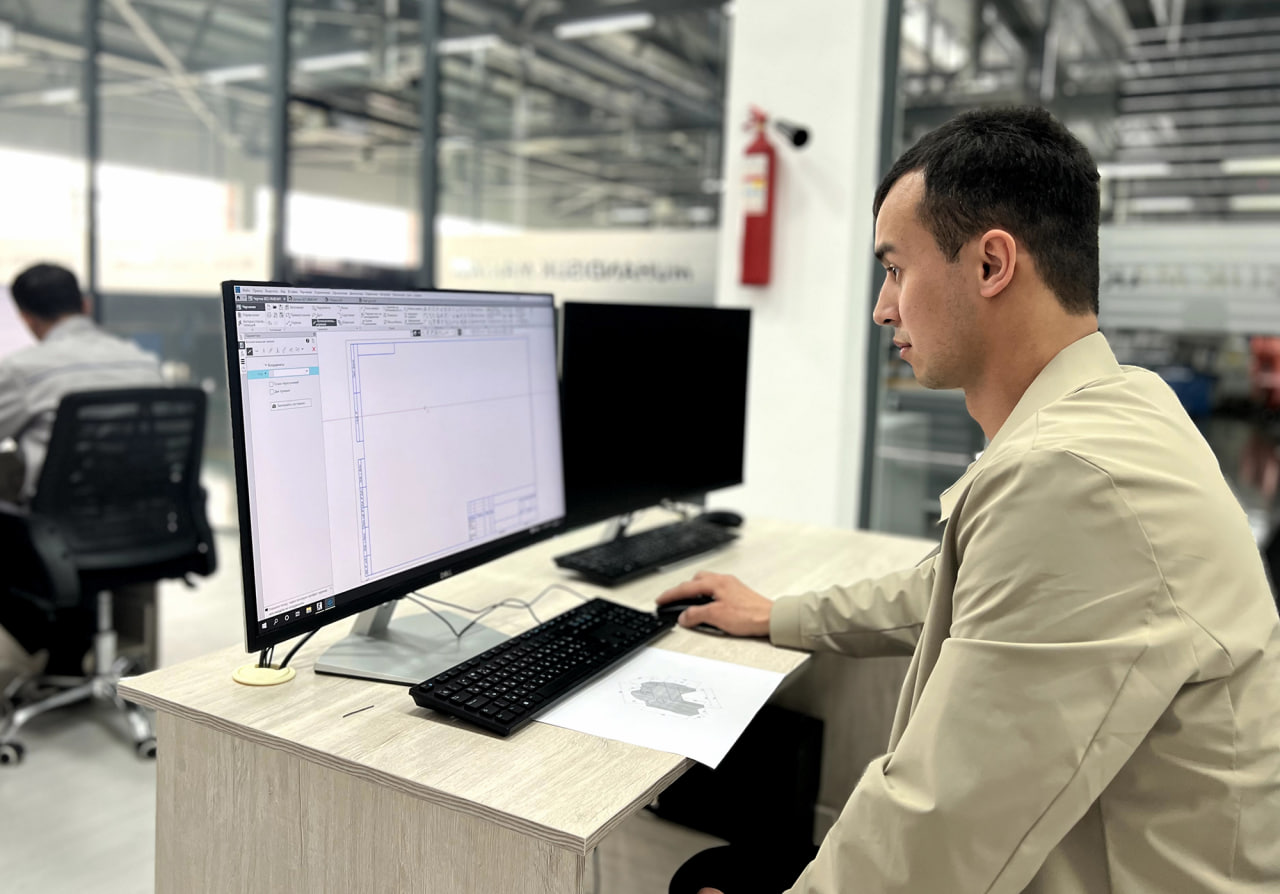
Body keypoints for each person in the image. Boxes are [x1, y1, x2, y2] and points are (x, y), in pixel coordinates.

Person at [659, 107, 1280, 894]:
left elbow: (939, 826)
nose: (883, 308)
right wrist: (778, 615)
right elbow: (956, 591)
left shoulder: (1073, 478)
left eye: (895, 269)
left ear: (990, 264)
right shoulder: (1123, 407)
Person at [0, 263, 163, 675]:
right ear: (85, 305)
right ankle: (66, 654)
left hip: (60, 536)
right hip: (146, 529)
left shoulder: (22, 370)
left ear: (27, 318)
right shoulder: (143, 362)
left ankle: (45, 640)